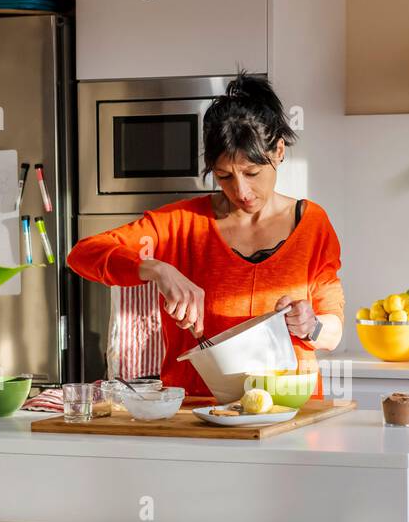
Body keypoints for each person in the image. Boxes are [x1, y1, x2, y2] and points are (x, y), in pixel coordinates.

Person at [66, 72, 344, 394]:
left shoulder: (312, 224)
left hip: (290, 411)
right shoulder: (180, 224)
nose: (241, 191)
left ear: (279, 151)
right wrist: (157, 269)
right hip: (199, 413)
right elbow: (82, 254)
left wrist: (311, 326)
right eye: (224, 176)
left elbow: (332, 332)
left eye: (252, 173)